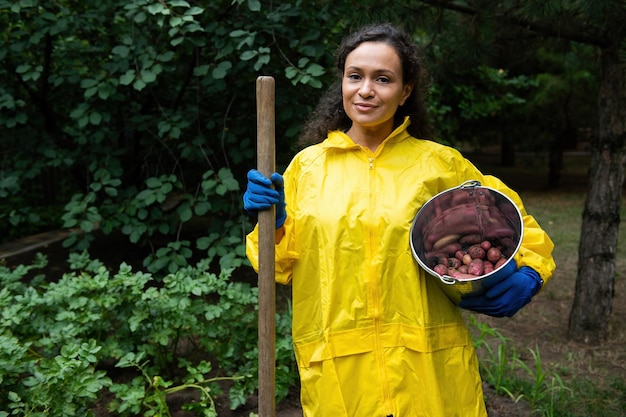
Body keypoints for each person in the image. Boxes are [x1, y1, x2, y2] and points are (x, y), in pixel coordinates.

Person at [244, 23, 555, 417]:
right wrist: (272, 223)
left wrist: (531, 273)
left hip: (427, 372)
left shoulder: (439, 164)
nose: (366, 90)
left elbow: (516, 223)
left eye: (383, 79)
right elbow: (277, 267)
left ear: (406, 91)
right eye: (355, 76)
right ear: (341, 82)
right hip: (341, 376)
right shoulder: (306, 170)